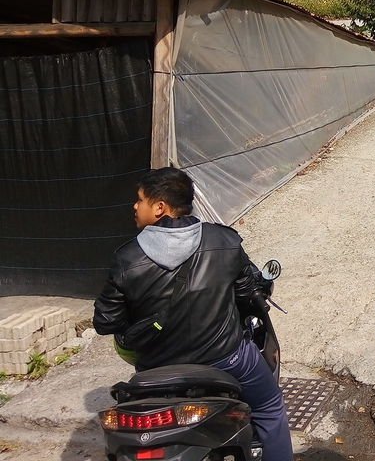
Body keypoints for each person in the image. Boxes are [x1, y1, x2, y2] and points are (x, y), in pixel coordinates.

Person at [93, 167, 292, 461]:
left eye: (139, 199)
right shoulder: (223, 241)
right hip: (227, 359)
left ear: (160, 207)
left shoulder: (127, 258)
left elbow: (105, 321)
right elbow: (247, 293)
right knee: (270, 408)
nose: (135, 206)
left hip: (156, 368)